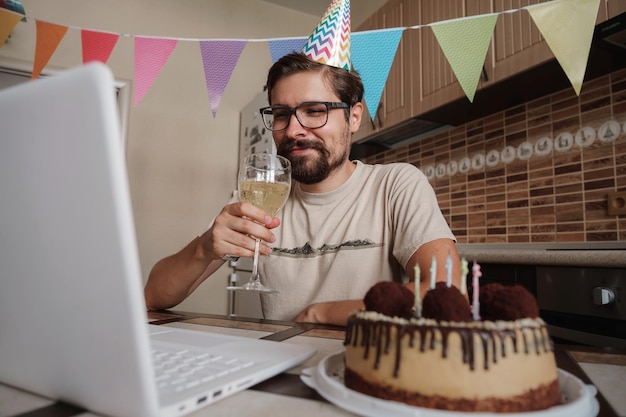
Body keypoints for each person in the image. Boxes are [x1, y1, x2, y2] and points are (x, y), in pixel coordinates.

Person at [144, 52, 461, 326]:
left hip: (364, 368)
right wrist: (204, 249)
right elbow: (153, 296)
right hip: (280, 372)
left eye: (314, 111)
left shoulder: (395, 185)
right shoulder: (263, 197)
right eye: (282, 114)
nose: (293, 130)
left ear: (353, 117)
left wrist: (320, 314)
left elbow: (446, 294)